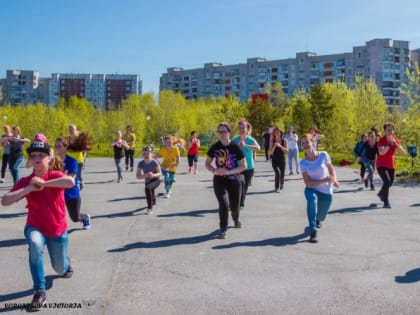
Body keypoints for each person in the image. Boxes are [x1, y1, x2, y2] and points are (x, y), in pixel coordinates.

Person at [1, 141, 75, 311]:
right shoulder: (26, 181)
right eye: (33, 156)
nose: (36, 159)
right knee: (34, 245)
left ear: (49, 159)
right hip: (35, 226)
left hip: (57, 229)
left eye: (41, 156)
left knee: (59, 267)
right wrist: (29, 188)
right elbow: (5, 201)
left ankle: (65, 264)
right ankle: (39, 291)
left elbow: (70, 183)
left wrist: (43, 184)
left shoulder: (55, 175)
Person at [206, 122, 246, 239]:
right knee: (223, 203)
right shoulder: (215, 147)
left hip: (234, 180)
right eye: (219, 132)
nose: (221, 134)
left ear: (229, 133)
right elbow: (207, 163)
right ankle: (223, 228)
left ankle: (236, 218)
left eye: (224, 132)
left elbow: (244, 166)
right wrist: (214, 171)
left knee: (234, 206)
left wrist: (228, 172)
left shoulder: (235, 147)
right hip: (219, 180)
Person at [300, 133, 339, 243]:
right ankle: (313, 231)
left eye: (307, 142)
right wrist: (324, 180)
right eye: (303, 143)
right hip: (311, 189)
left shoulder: (323, 155)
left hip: (326, 192)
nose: (305, 145)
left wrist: (334, 180)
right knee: (312, 201)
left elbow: (331, 170)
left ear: (312, 142)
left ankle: (317, 219)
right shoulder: (303, 163)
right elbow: (307, 183)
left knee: (321, 217)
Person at [55, 137, 91, 229]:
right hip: (57, 194)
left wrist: (61, 175)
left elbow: (70, 179)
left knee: (75, 218)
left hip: (71, 194)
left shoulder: (72, 161)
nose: (57, 148)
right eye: (56, 146)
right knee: (55, 214)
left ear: (65, 147)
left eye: (59, 145)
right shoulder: (53, 161)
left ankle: (85, 217)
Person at [232, 120, 260, 209]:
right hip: (238, 167)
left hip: (249, 168)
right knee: (238, 185)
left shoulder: (250, 139)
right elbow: (229, 150)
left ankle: (241, 203)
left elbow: (258, 148)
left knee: (244, 186)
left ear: (247, 129)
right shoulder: (235, 140)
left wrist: (245, 145)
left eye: (243, 128)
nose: (241, 130)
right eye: (239, 128)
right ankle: (237, 202)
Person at [376, 122, 405, 208]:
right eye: (388, 129)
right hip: (381, 164)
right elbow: (381, 152)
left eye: (391, 130)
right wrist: (389, 145)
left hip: (391, 165)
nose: (390, 131)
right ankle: (386, 201)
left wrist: (396, 144)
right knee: (387, 181)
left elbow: (402, 152)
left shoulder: (395, 139)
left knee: (390, 183)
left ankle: (381, 193)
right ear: (385, 130)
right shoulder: (382, 140)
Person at [136, 146, 161, 214]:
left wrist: (153, 175)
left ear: (151, 154)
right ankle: (153, 200)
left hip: (156, 180)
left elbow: (159, 173)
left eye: (148, 153)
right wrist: (144, 175)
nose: (146, 155)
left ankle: (150, 208)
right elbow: (137, 176)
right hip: (147, 180)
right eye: (144, 154)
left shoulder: (155, 162)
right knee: (150, 191)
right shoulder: (140, 163)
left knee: (148, 188)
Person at [68, 124, 91, 190]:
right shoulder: (67, 139)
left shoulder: (79, 139)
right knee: (72, 174)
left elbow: (85, 149)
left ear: (75, 130)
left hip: (79, 160)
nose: (71, 131)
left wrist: (84, 157)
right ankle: (73, 186)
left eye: (72, 129)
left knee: (79, 174)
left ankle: (81, 182)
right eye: (70, 129)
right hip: (70, 159)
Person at [269, 127, 288, 192]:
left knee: (282, 174)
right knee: (277, 173)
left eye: (278, 131)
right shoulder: (272, 141)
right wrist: (274, 146)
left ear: (280, 133)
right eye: (275, 132)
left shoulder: (284, 140)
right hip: (275, 160)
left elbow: (286, 151)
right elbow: (270, 152)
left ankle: (281, 183)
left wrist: (280, 146)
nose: (277, 133)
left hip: (282, 159)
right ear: (274, 133)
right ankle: (276, 187)